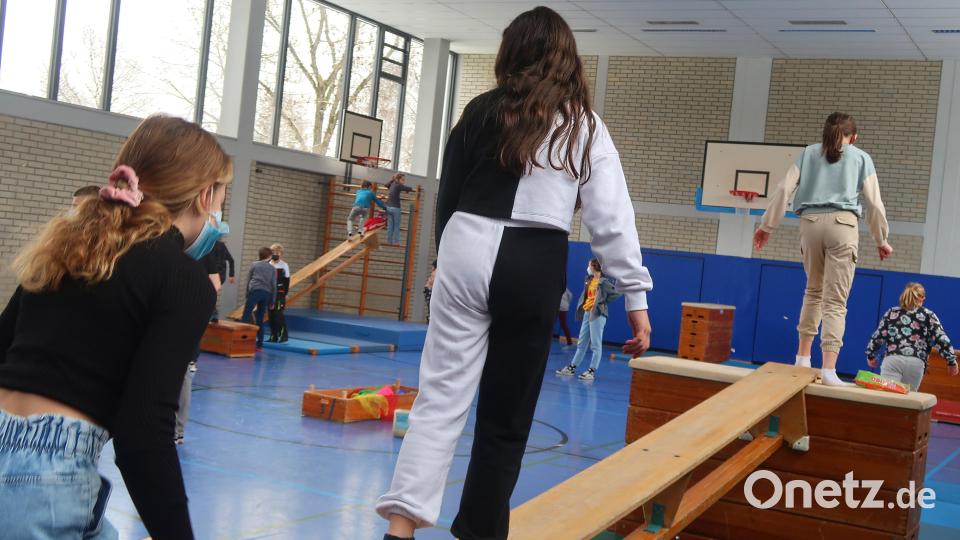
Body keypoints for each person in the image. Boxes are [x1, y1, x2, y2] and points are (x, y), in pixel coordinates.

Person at [376, 8, 653, 540]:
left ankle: (400, 527)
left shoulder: (479, 110)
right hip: (534, 254)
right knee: (506, 412)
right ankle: (480, 530)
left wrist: (440, 262)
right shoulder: (583, 125)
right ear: (567, 61)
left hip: (464, 244)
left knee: (440, 398)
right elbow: (610, 219)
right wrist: (635, 296)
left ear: (510, 52)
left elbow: (448, 195)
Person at [0, 114, 231, 539]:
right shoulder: (182, 279)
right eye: (221, 196)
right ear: (203, 196)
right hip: (46, 475)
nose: (220, 210)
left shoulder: (68, 244)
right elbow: (143, 433)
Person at [754, 112, 893, 386]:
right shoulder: (861, 157)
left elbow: (784, 189)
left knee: (813, 292)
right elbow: (874, 205)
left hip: (811, 224)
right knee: (835, 301)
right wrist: (881, 239)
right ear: (854, 137)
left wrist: (766, 226)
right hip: (843, 225)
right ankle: (829, 369)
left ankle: (802, 359)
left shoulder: (808, 153)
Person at [866, 283, 958, 391]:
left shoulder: (892, 312)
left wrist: (871, 355)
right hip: (916, 362)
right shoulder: (928, 315)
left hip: (893, 359)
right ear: (923, 298)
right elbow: (941, 338)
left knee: (888, 399)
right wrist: (951, 361)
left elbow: (879, 335)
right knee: (908, 402)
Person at [556, 259, 621, 381]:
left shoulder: (604, 282)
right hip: (587, 312)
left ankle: (592, 371)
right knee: (581, 343)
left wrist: (603, 302)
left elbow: (617, 293)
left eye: (589, 265)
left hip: (597, 314)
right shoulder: (589, 280)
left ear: (594, 266)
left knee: (595, 344)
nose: (588, 267)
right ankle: (572, 367)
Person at [242, 247, 277, 350]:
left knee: (246, 315)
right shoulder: (272, 269)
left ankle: (242, 340)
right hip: (266, 293)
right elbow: (274, 285)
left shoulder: (254, 264)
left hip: (255, 291)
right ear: (270, 256)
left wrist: (247, 293)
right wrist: (272, 301)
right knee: (260, 319)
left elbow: (249, 279)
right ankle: (259, 345)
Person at [268, 243, 291, 343]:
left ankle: (283, 335)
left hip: (280, 293)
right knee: (271, 315)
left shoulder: (284, 265)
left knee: (278, 314)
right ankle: (273, 336)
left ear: (281, 254)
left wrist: (285, 294)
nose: (275, 254)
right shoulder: (268, 263)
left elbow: (287, 281)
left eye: (277, 252)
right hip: (270, 293)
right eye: (273, 252)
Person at [385, 173, 414, 245]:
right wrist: (409, 190)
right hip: (395, 208)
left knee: (390, 225)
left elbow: (386, 185)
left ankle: (389, 241)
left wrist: (392, 179)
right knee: (396, 226)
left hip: (388, 207)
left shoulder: (392, 184)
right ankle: (396, 241)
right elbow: (408, 188)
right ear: (398, 179)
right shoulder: (398, 185)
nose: (404, 182)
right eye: (402, 180)